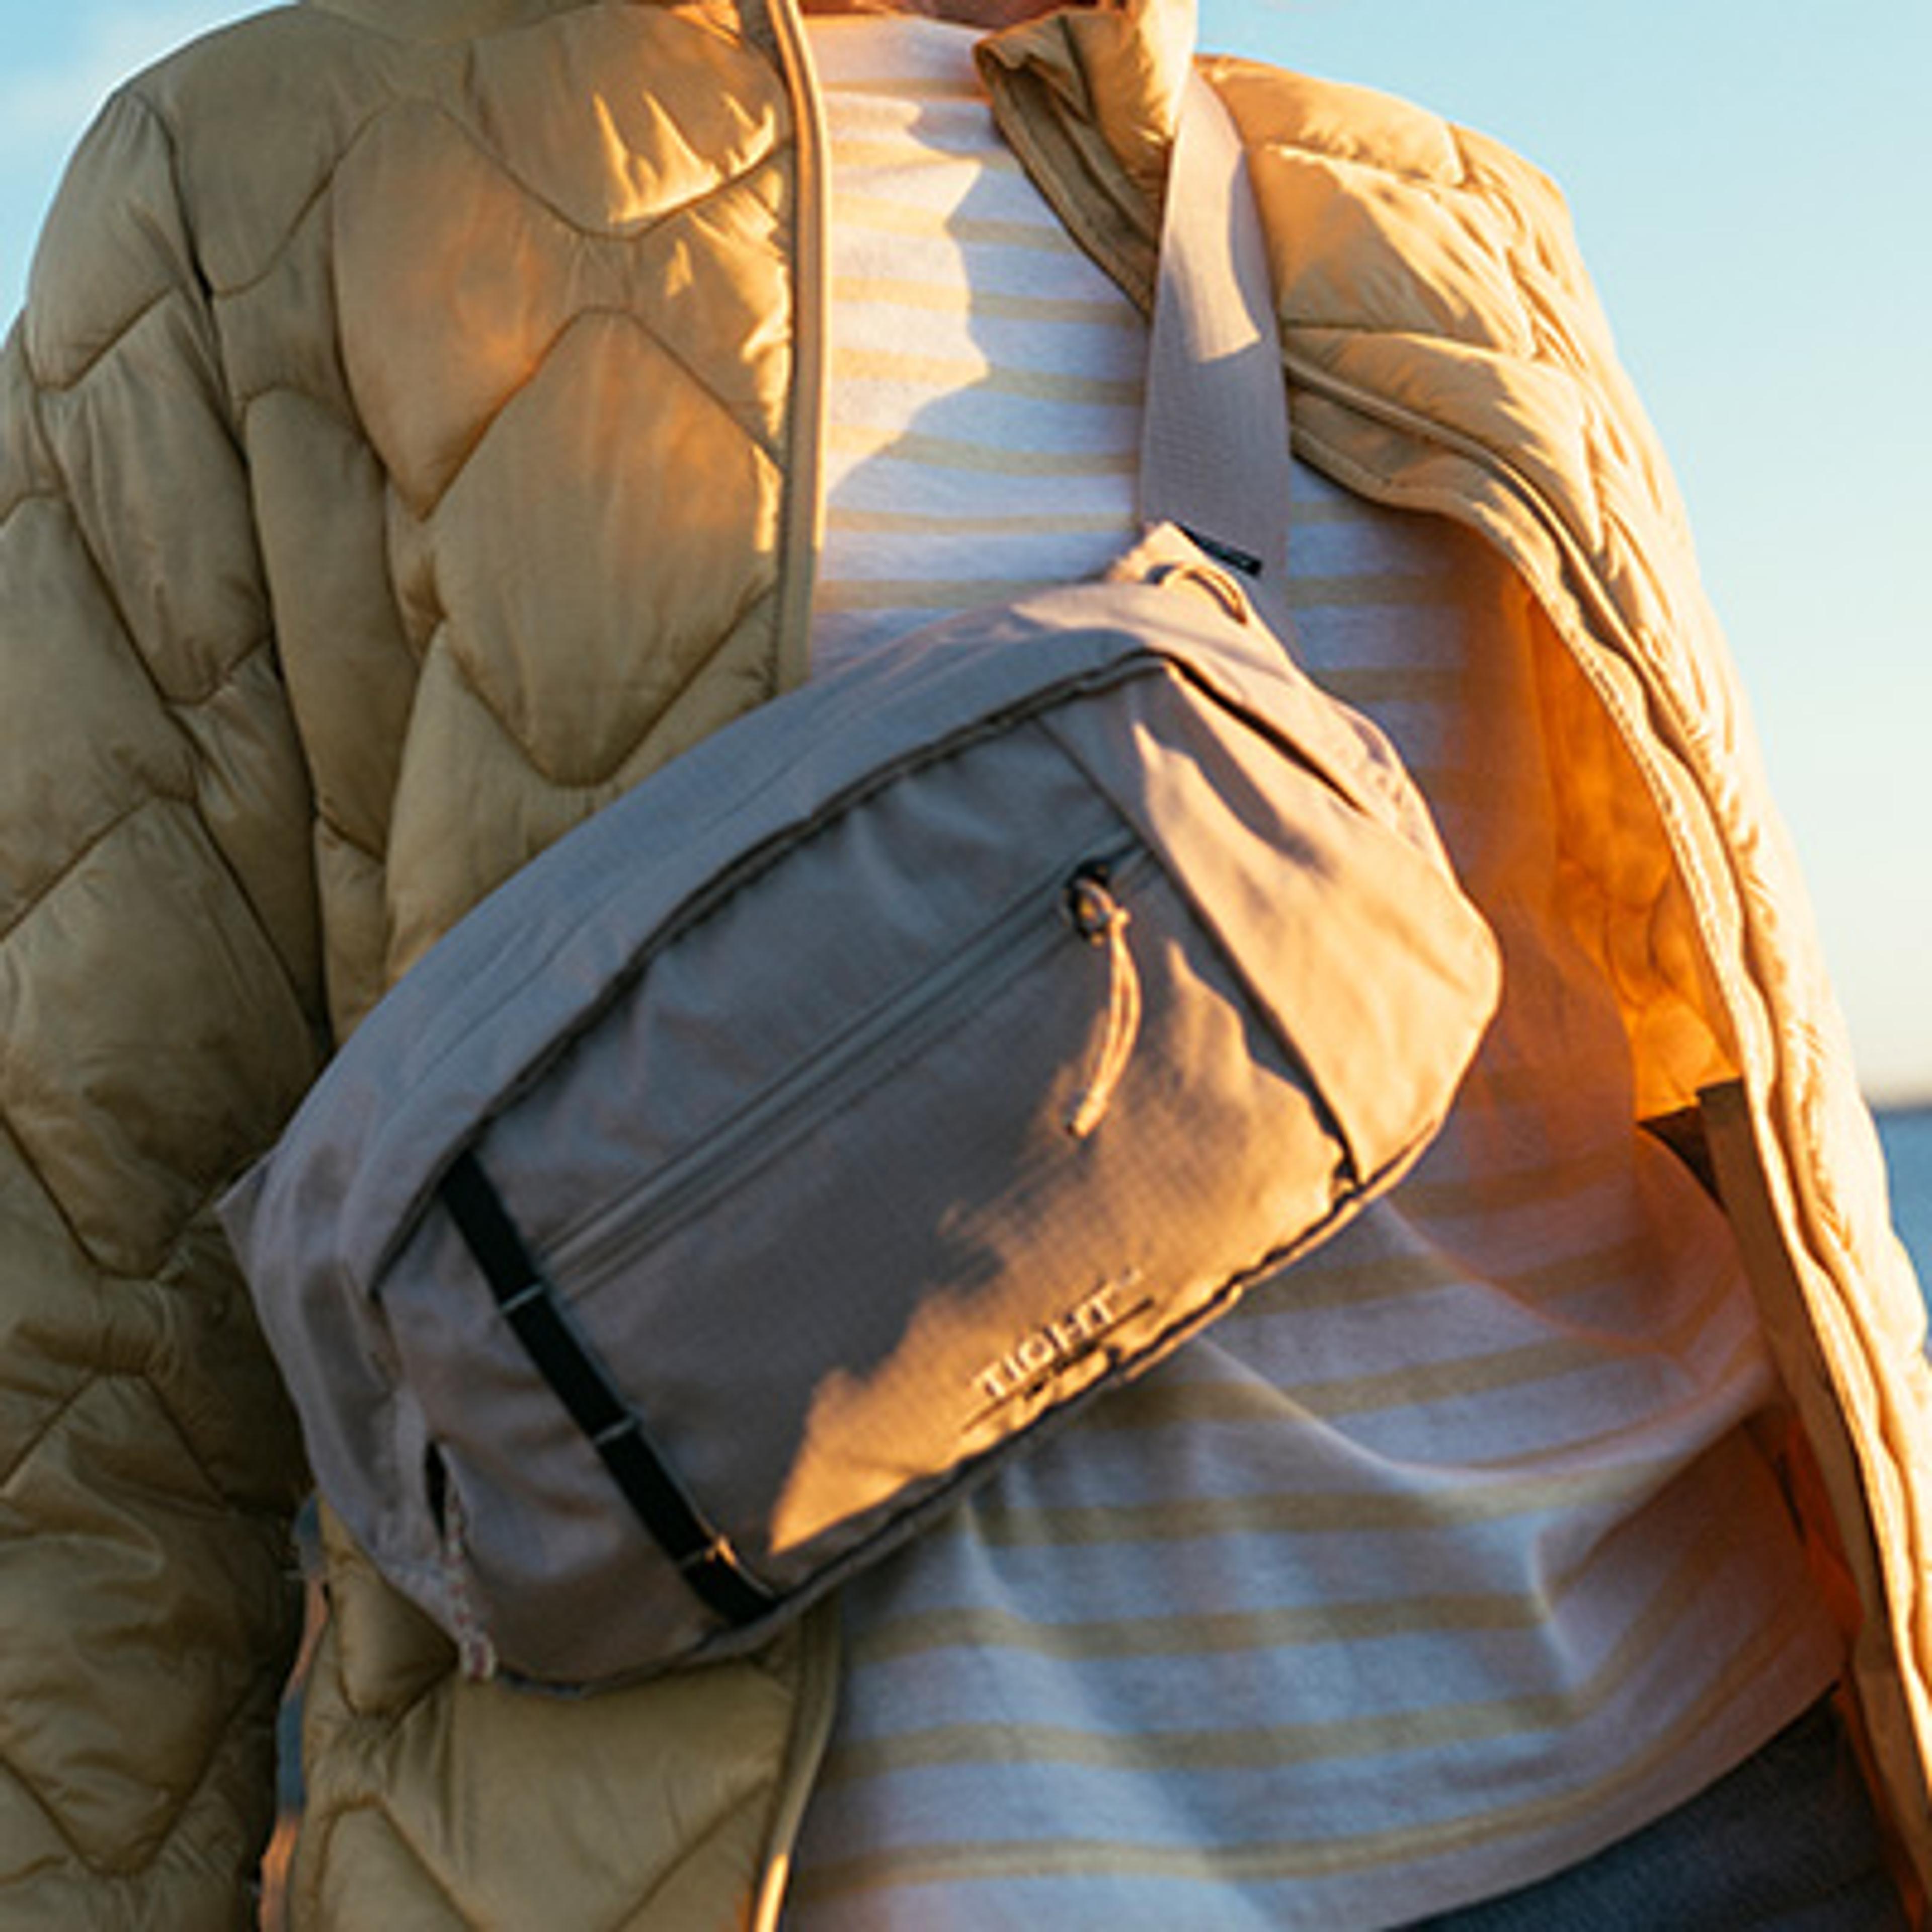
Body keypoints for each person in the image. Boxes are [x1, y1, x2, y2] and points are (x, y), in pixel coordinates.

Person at [1, 0, 1926, 1924]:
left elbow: (1756, 1131)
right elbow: (84, 1329)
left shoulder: (1431, 211)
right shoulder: (256, 189)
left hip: (1708, 1800)